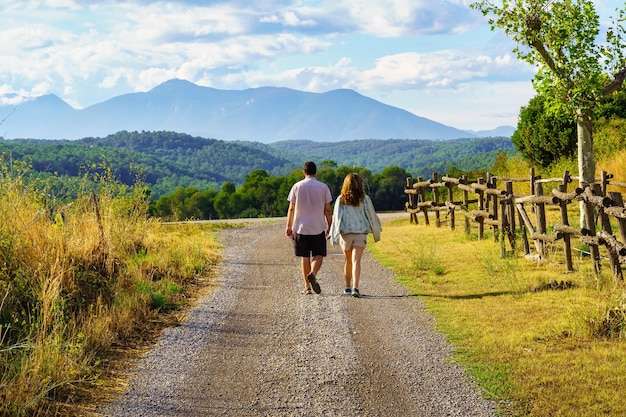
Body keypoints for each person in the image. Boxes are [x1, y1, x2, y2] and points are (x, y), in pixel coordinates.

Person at [330, 173, 382, 298]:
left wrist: (333, 235)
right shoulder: (365, 199)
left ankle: (347, 287)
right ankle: (356, 287)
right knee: (356, 261)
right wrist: (376, 232)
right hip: (360, 233)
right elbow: (372, 216)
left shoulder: (340, 199)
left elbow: (336, 218)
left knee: (348, 261)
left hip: (346, 234)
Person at [285, 161, 333, 295]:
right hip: (318, 226)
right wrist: (330, 225)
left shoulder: (297, 186)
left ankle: (307, 287)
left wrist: (288, 225)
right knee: (319, 254)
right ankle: (313, 273)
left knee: (304, 257)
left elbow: (291, 208)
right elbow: (327, 210)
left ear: (304, 172)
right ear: (315, 172)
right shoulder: (323, 187)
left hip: (300, 227)